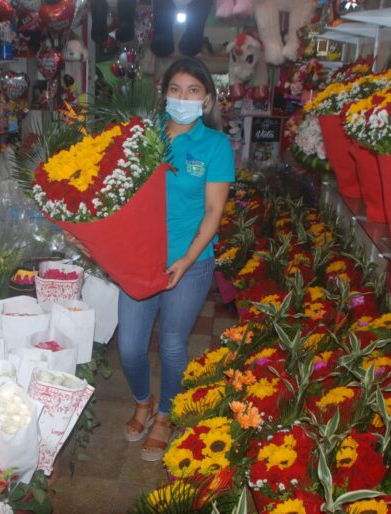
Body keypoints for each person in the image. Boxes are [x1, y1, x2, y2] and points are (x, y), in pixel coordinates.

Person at [118, 56, 235, 461]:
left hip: (190, 261)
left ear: (206, 99)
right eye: (175, 90)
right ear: (163, 94)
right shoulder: (143, 138)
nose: (182, 98)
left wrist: (186, 260)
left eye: (193, 91)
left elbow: (214, 212)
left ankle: (165, 415)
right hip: (139, 259)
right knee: (130, 346)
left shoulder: (215, 146)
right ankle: (142, 400)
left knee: (171, 345)